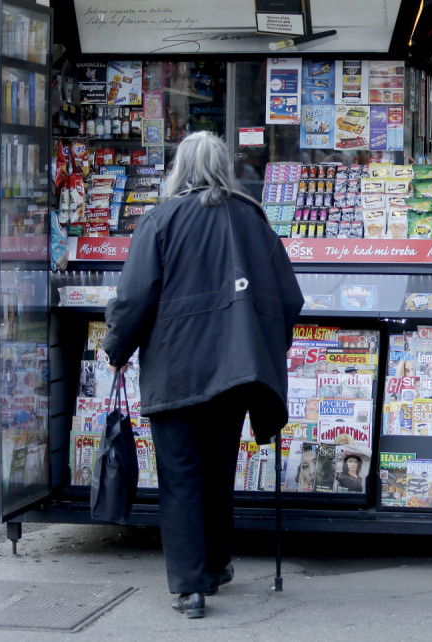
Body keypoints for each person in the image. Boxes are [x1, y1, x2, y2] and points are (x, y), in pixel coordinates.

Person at [103, 131, 304, 619]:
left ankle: (191, 586)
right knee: (218, 471)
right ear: (223, 168)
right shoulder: (252, 218)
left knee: (180, 476)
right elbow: (289, 298)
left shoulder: (161, 219)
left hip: (176, 369)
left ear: (179, 168)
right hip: (236, 372)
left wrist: (116, 347)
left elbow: (133, 298)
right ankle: (216, 565)